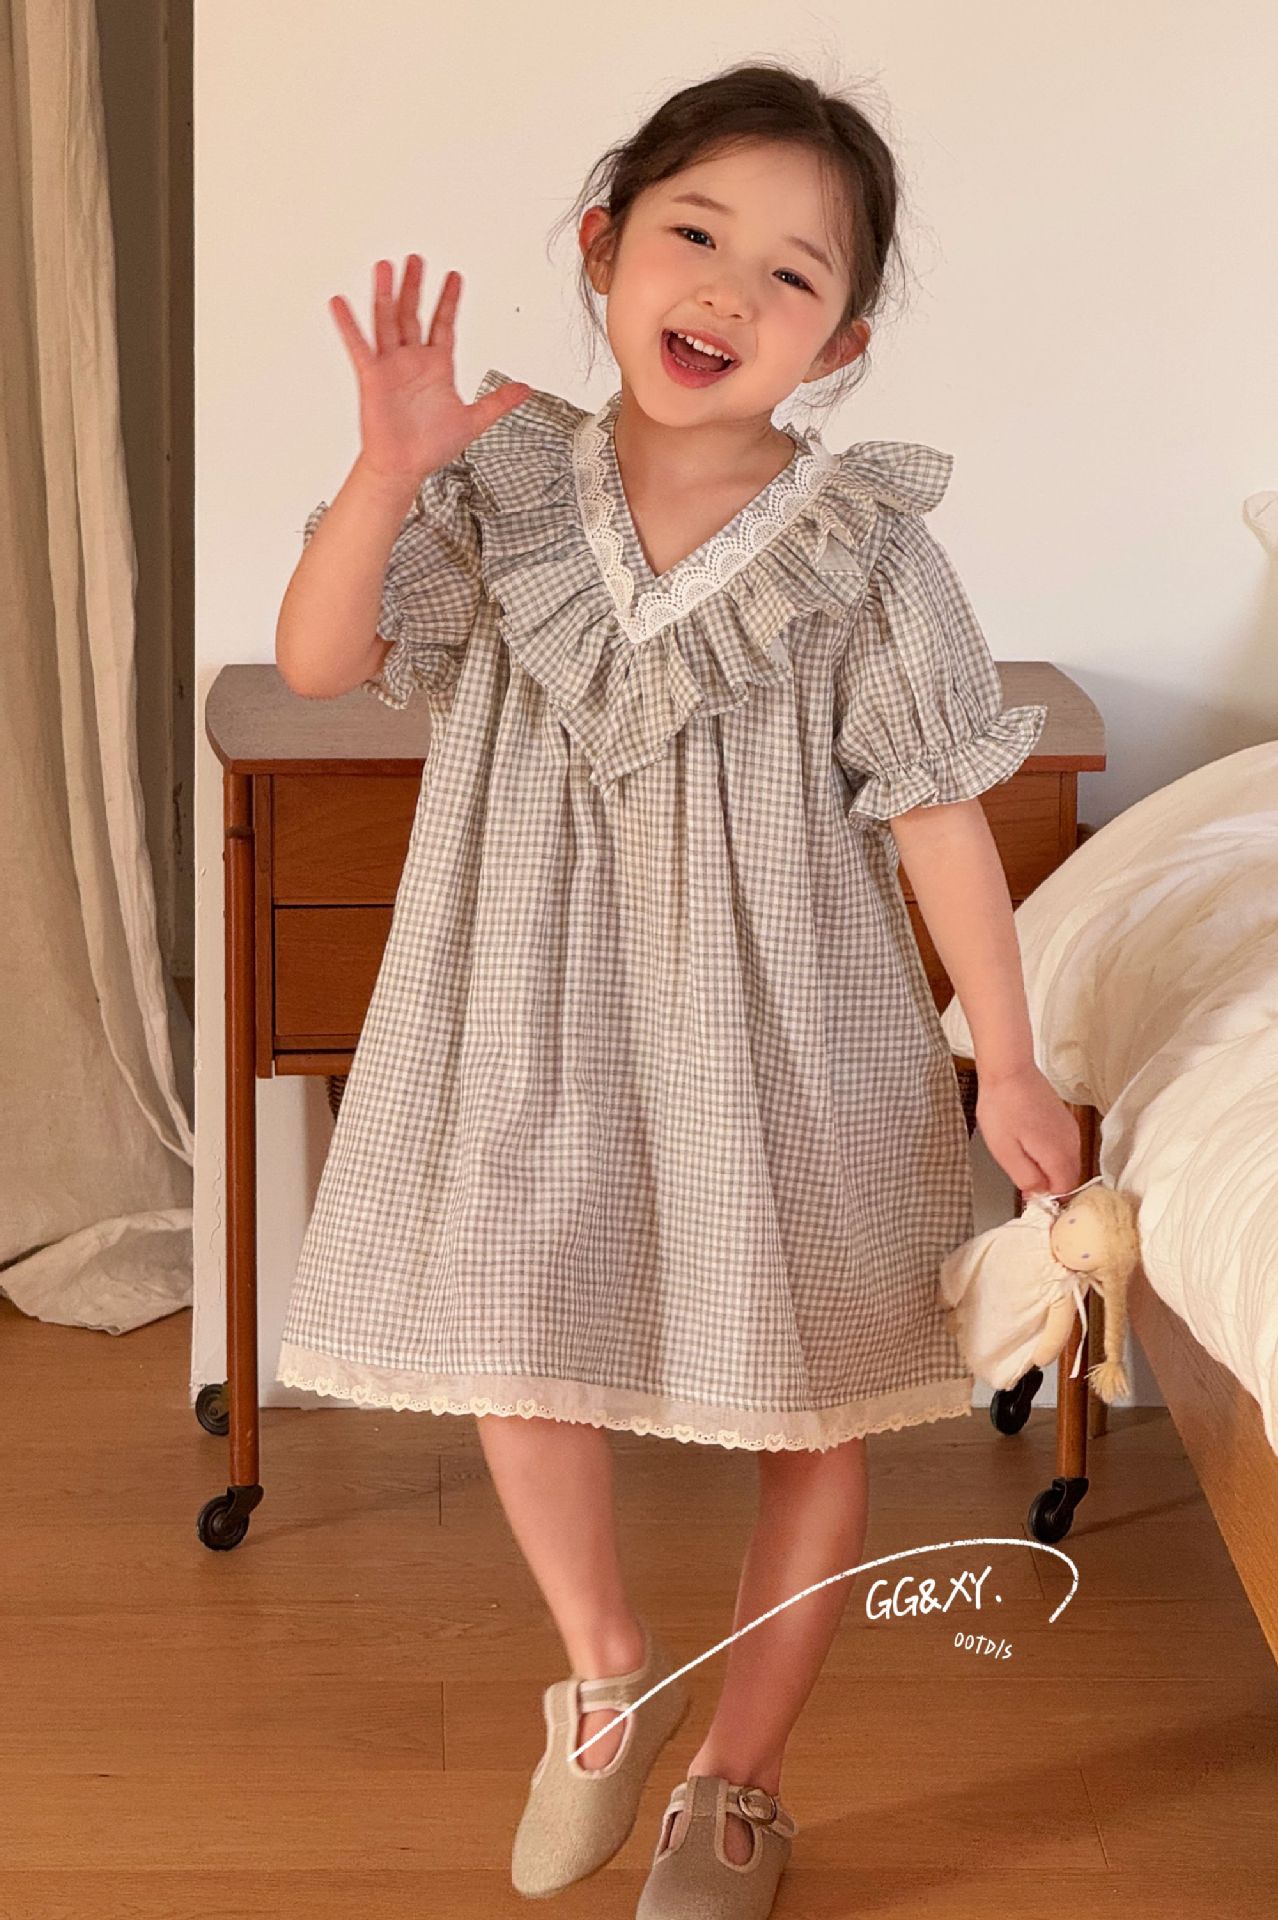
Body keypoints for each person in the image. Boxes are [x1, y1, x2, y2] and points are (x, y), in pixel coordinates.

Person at [272, 59, 1082, 1920]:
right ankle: (608, 1673)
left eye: (790, 273)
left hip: (785, 1027)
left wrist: (1009, 1061)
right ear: (602, 247)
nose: (727, 289)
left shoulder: (865, 548)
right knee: (513, 1328)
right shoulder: (493, 475)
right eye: (692, 234)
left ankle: (738, 1784)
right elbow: (320, 659)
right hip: (522, 998)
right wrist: (386, 467)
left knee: (809, 1405)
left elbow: (938, 810)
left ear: (839, 341)